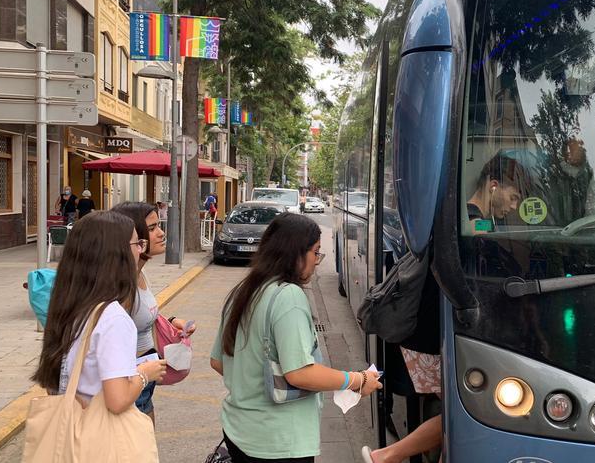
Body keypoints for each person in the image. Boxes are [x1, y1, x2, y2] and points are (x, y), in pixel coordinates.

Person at [362, 152, 529, 463]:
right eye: (514, 196)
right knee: (465, 412)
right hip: (430, 338)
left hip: (430, 336)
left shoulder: (468, 219)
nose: (514, 206)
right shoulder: (467, 226)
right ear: (493, 185)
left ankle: (387, 456)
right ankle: (386, 456)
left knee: (463, 411)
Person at [211, 213, 381, 462]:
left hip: (238, 431)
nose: (317, 261)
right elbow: (300, 373)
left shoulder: (244, 291)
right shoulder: (288, 297)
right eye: (315, 252)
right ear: (295, 253)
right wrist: (357, 379)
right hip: (278, 442)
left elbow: (218, 362)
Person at [31, 211, 167, 421]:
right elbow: (117, 400)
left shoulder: (69, 305)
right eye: (136, 244)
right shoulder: (112, 318)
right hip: (101, 440)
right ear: (115, 254)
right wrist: (145, 373)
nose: (141, 250)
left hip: (70, 429)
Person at [112, 202, 196, 424]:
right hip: (129, 383)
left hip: (144, 380)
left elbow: (140, 319)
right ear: (133, 236)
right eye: (152, 228)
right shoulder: (121, 284)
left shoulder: (140, 273)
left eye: (159, 225)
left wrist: (170, 322)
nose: (161, 233)